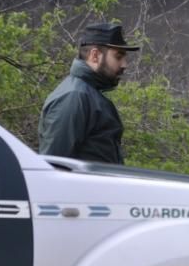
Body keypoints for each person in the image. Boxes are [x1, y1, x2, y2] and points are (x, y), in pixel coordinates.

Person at [38, 22, 140, 164]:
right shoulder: (74, 97)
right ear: (95, 56)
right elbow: (54, 165)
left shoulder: (88, 95)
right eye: (118, 56)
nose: (124, 64)